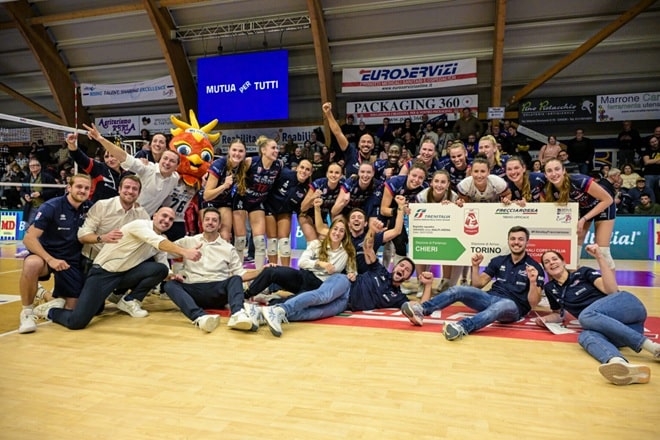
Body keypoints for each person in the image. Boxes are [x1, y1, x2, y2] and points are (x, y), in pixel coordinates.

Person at [45, 207, 202, 330]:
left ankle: (129, 300)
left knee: (160, 269)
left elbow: (163, 262)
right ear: (154, 216)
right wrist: (185, 252)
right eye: (164, 216)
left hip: (124, 275)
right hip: (103, 273)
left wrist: (171, 276)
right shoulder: (139, 225)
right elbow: (156, 241)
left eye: (171, 219)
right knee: (77, 322)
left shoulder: (162, 238)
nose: (166, 220)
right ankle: (50, 311)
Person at [258, 225, 430, 337]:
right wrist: (372, 230)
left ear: (408, 277)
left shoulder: (398, 297)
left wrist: (428, 285)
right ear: (395, 266)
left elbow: (421, 309)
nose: (403, 269)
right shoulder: (380, 270)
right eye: (402, 266)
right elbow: (367, 247)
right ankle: (282, 308)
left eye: (407, 270)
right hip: (344, 284)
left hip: (346, 304)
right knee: (321, 296)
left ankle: (270, 314)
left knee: (315, 313)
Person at [538, 245, 660, 385]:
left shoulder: (583, 272)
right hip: (625, 330)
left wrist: (599, 257)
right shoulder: (550, 288)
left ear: (564, 262)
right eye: (547, 262)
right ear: (545, 269)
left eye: (554, 259)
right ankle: (619, 364)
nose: (551, 263)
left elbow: (611, 290)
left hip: (626, 306)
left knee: (585, 316)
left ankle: (655, 348)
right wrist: (545, 319)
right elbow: (559, 314)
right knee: (585, 336)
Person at [401, 226, 544, 341]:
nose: (516, 242)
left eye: (520, 239)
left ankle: (462, 327)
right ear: (508, 241)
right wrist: (475, 267)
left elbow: (533, 303)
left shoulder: (535, 267)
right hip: (490, 298)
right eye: (513, 239)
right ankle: (422, 310)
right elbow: (478, 284)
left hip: (514, 307)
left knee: (500, 306)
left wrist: (532, 282)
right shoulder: (499, 260)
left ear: (527, 242)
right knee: (459, 289)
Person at [164, 207, 260, 333]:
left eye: (214, 220)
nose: (210, 222)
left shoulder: (228, 248)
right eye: (207, 219)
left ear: (219, 225)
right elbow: (164, 252)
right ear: (202, 222)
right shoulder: (188, 241)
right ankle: (199, 317)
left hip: (217, 290)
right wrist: (179, 260)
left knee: (235, 279)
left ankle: (238, 314)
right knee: (170, 285)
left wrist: (262, 271)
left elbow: (241, 274)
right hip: (193, 289)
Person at [18, 174, 92, 334]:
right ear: (69, 188)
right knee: (32, 263)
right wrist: (50, 259)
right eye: (79, 186)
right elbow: (29, 239)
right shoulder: (51, 206)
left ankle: (45, 297)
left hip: (70, 261)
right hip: (46, 257)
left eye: (87, 188)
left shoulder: (89, 208)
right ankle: (27, 312)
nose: (83, 190)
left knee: (72, 309)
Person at [245, 215, 357, 300]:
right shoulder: (317, 244)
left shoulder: (347, 252)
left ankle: (270, 300)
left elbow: (352, 271)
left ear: (345, 235)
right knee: (271, 270)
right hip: (303, 277)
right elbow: (301, 262)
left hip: (320, 286)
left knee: (292, 301)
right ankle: (246, 295)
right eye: (335, 229)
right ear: (330, 230)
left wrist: (352, 275)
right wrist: (319, 263)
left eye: (341, 231)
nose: (337, 233)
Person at [82, 123, 180, 216]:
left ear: (176, 166)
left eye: (172, 161)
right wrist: (101, 139)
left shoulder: (175, 178)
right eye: (165, 159)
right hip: (122, 215)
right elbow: (124, 157)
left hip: (144, 220)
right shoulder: (147, 167)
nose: (167, 163)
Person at [543, 158, 615, 268]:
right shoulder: (549, 190)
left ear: (564, 170)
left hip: (603, 205)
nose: (554, 174)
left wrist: (584, 219)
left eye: (557, 169)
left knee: (603, 250)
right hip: (584, 208)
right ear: (545, 175)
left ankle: (610, 279)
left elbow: (608, 200)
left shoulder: (579, 180)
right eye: (549, 171)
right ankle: (574, 275)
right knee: (574, 246)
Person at [232, 135, 283, 269]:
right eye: (273, 148)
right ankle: (237, 273)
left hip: (258, 202)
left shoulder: (278, 165)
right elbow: (233, 173)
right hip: (242, 199)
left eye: (277, 148)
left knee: (260, 242)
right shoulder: (250, 162)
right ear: (263, 150)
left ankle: (260, 274)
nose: (276, 151)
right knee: (240, 241)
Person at [77, 175, 150, 268]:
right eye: (127, 187)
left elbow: (151, 237)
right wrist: (103, 238)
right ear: (119, 189)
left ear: (139, 193)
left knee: (157, 269)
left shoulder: (141, 214)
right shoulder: (102, 206)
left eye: (134, 189)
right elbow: (82, 236)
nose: (130, 191)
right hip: (94, 260)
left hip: (121, 264)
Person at [264, 159, 314, 266]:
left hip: (285, 212)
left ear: (310, 173)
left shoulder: (307, 189)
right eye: (302, 167)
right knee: (272, 240)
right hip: (269, 208)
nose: (304, 171)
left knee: (284, 241)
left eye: (307, 169)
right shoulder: (285, 174)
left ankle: (286, 271)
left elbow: (301, 208)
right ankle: (272, 270)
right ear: (297, 168)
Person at [203, 138, 249, 241]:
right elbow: (207, 195)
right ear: (229, 150)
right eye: (234, 150)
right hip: (209, 200)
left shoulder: (244, 165)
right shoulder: (219, 164)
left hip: (224, 201)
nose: (237, 154)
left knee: (225, 235)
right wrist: (224, 186)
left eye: (241, 151)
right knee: (210, 233)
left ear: (245, 153)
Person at [323, 102, 375, 178]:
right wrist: (328, 114)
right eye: (363, 142)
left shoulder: (376, 162)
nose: (366, 144)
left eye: (369, 142)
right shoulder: (351, 152)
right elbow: (338, 133)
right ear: (358, 144)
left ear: (373, 146)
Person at [21, 159, 59, 226]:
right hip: (31, 206)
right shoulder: (26, 178)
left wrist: (41, 193)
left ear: (40, 167)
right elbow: (22, 191)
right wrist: (25, 195)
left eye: (35, 165)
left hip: (45, 206)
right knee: (28, 226)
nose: (33, 167)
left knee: (45, 226)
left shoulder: (48, 177)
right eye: (31, 166)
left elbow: (55, 190)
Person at [641, 135, 660, 200]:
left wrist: (652, 161)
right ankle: (651, 205)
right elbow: (647, 162)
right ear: (649, 143)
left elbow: (649, 161)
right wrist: (658, 160)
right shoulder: (647, 151)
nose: (654, 143)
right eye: (652, 142)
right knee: (649, 192)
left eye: (655, 141)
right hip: (649, 174)